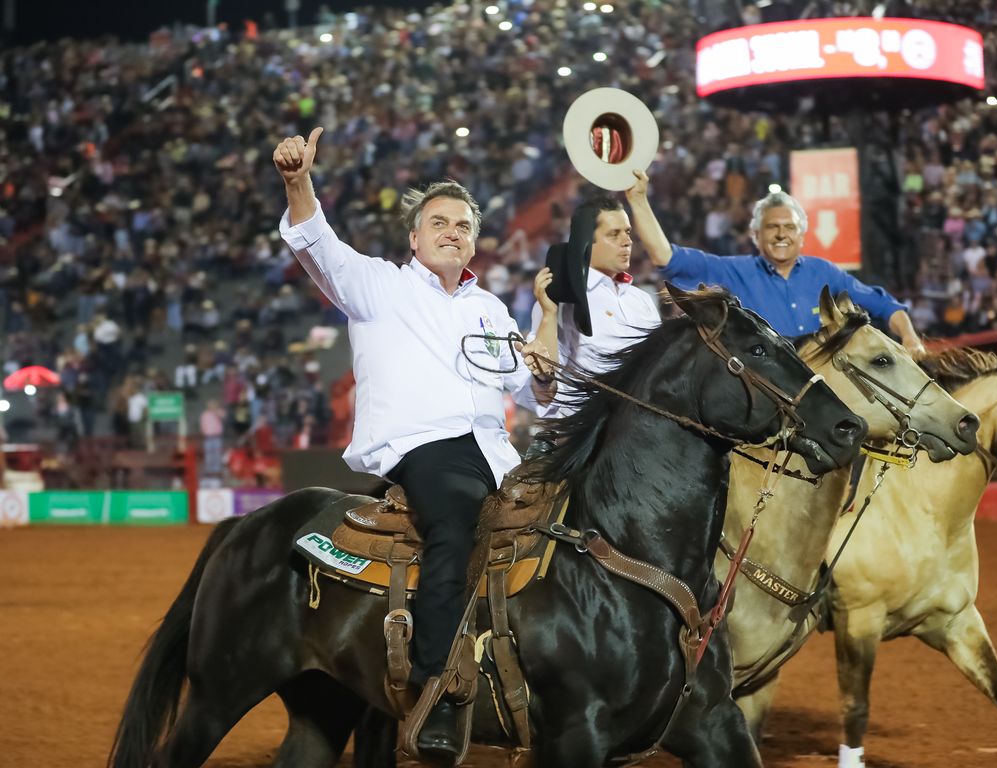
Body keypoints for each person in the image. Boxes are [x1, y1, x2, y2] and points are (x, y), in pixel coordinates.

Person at [275, 128, 558, 758]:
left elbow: (538, 391)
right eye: (438, 221)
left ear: (474, 239)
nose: (452, 230)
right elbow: (317, 244)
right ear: (414, 236)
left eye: (463, 223)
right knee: (455, 523)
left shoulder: (492, 309)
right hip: (424, 449)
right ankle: (436, 691)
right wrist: (298, 181)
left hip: (499, 455)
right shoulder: (377, 286)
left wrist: (546, 327)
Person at [626, 171, 927, 355]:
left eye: (790, 227)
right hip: (763, 401)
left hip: (823, 395)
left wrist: (911, 339)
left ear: (802, 235)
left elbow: (887, 307)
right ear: (755, 235)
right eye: (772, 227)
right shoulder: (732, 271)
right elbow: (664, 257)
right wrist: (638, 199)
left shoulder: (824, 272)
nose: (782, 233)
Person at [530, 193, 661, 419]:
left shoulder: (642, 300)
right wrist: (549, 315)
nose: (627, 241)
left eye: (627, 232)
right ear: (587, 242)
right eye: (614, 234)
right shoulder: (562, 300)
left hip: (643, 429)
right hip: (587, 433)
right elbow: (545, 392)